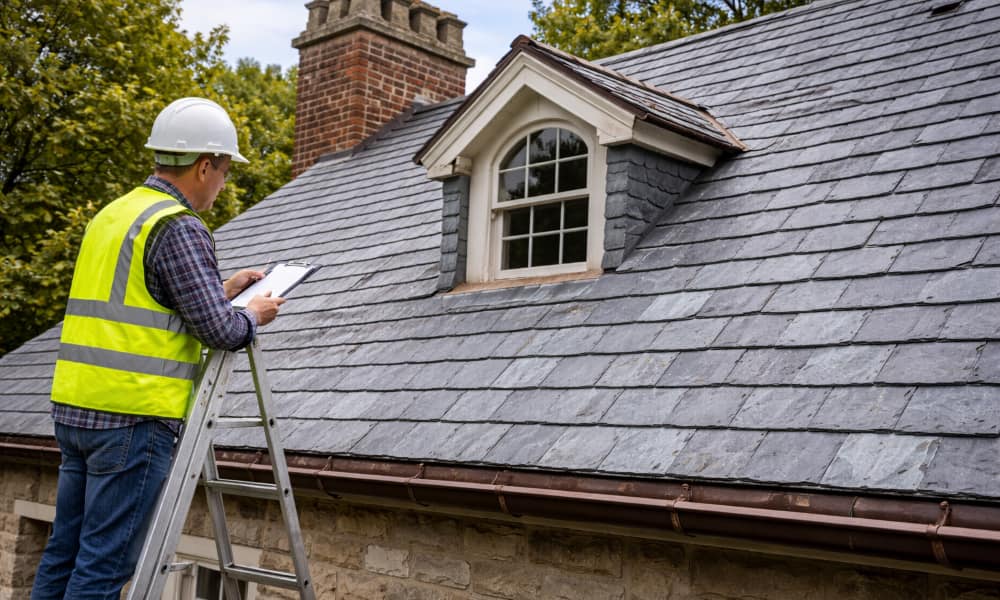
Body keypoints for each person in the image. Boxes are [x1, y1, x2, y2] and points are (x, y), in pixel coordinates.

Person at [31, 97, 285, 599]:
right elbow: (220, 332)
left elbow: (140, 298)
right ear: (204, 165)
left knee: (64, 554)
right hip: (133, 419)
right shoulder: (178, 225)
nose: (224, 183)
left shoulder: (114, 214)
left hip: (77, 410)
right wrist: (251, 315)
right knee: (103, 567)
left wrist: (222, 288)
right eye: (225, 170)